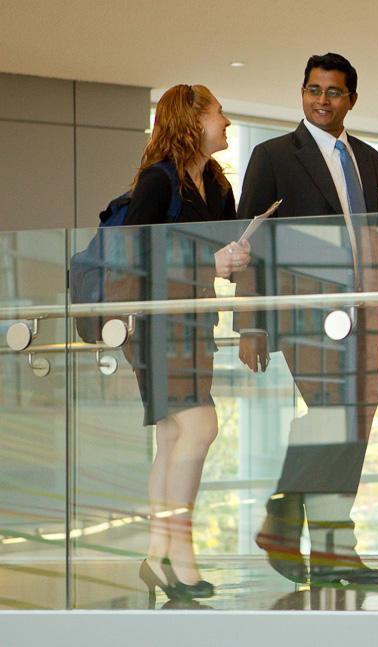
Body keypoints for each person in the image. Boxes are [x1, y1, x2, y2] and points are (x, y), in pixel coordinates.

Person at [235, 53, 378, 586]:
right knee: (329, 414)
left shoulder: (371, 159)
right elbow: (248, 242)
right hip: (307, 311)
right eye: (313, 90)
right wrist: (250, 321)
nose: (321, 100)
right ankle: (289, 523)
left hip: (366, 312)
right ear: (302, 93)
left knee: (355, 423)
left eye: (333, 92)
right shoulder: (273, 156)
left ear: (351, 100)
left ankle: (329, 551)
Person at [113, 84, 251, 603]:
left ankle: (157, 555)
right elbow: (135, 258)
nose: (228, 122)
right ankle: (179, 552)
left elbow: (217, 252)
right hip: (158, 322)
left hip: (196, 324)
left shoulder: (215, 184)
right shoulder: (158, 180)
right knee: (200, 426)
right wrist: (208, 263)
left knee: (173, 439)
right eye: (219, 113)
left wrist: (235, 256)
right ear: (192, 120)